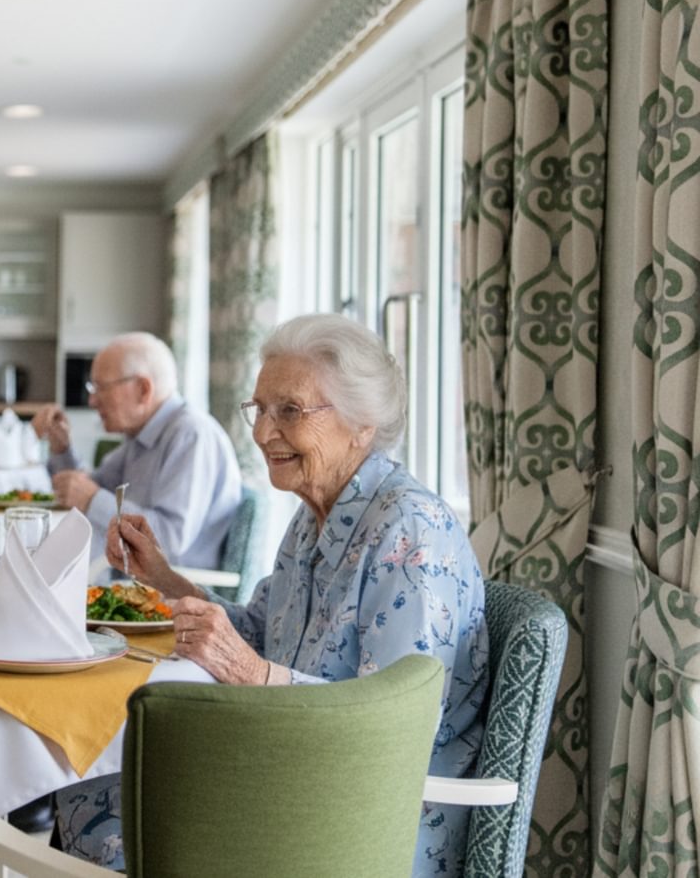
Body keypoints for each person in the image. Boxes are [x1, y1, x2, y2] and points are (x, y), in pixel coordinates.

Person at [54, 314, 488, 877]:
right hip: (296, 767)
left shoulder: (410, 533)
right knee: (90, 788)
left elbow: (394, 727)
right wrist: (164, 578)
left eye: (289, 411)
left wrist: (253, 675)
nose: (261, 433)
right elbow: (258, 629)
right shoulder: (313, 518)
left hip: (367, 817)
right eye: (259, 409)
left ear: (363, 424)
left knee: (119, 817)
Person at [31, 331, 240, 572]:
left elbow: (170, 540)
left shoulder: (191, 434)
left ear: (143, 389)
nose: (92, 401)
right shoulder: (142, 435)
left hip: (169, 595)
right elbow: (87, 489)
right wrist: (61, 448)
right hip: (125, 575)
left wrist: (91, 498)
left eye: (101, 388)